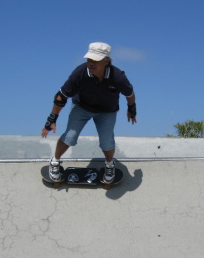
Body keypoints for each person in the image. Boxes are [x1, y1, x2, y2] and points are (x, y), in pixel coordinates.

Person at [41, 42, 137, 183]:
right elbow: (61, 96)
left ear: (106, 61)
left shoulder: (118, 77)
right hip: (82, 108)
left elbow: (130, 94)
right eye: (89, 59)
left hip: (107, 112)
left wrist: (131, 109)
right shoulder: (80, 73)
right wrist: (52, 119)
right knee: (70, 136)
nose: (91, 63)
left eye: (95, 61)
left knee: (106, 141)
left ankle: (109, 165)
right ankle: (55, 162)